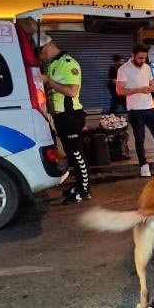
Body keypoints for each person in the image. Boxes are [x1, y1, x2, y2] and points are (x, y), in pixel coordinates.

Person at [35, 32, 91, 204]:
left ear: (47, 46)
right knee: (71, 154)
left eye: (40, 52)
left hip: (71, 116)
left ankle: (84, 190)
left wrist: (48, 81)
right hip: (60, 116)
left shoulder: (68, 63)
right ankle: (79, 185)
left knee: (77, 153)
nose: (41, 57)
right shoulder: (53, 64)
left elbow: (72, 92)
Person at [116, 43, 154, 177]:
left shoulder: (147, 67)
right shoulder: (123, 69)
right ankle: (143, 166)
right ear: (133, 55)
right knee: (139, 139)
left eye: (144, 58)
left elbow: (150, 82)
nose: (143, 61)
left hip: (150, 107)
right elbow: (119, 91)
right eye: (140, 58)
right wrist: (139, 90)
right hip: (135, 110)